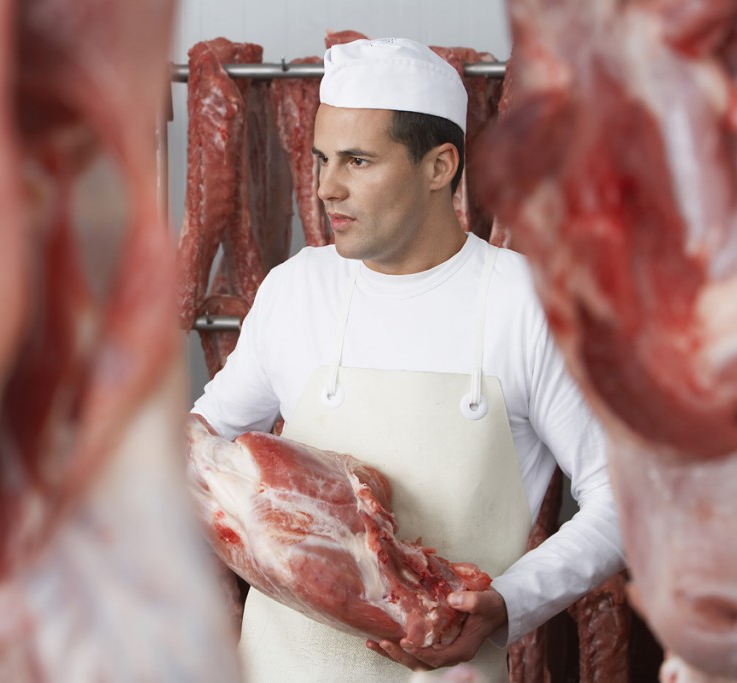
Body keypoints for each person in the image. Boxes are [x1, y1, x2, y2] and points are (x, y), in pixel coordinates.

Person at [191, 37, 626, 682]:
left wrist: (508, 604)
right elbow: (197, 447)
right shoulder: (297, 288)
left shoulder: (525, 303)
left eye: (358, 161)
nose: (327, 188)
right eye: (321, 159)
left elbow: (620, 499)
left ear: (439, 166)